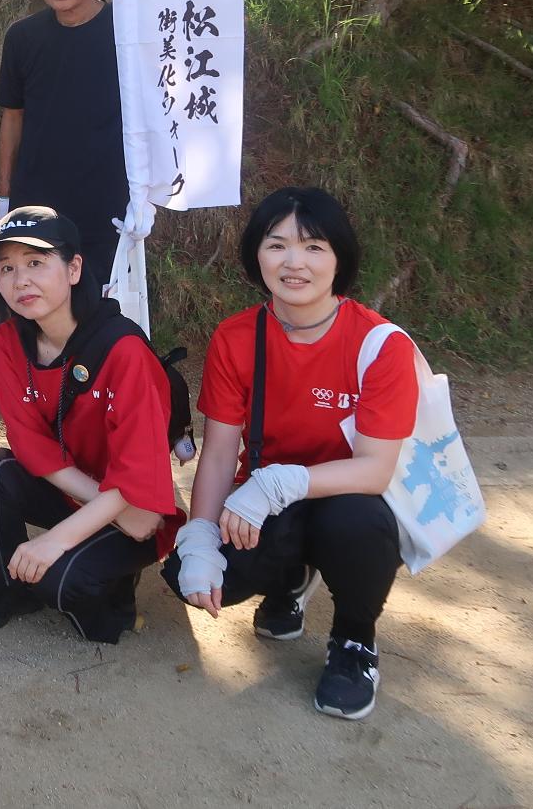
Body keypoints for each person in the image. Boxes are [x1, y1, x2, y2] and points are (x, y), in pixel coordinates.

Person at [163, 187, 423, 721]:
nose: (294, 262)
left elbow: (375, 470)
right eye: (277, 244)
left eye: (313, 247)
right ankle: (290, 580)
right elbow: (218, 454)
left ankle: (354, 641)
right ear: (256, 255)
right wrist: (201, 537)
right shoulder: (236, 337)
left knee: (355, 523)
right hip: (264, 503)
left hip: (348, 499)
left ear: (339, 258)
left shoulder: (381, 345)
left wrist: (280, 482)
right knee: (194, 576)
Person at [0, 206, 179, 644]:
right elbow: (29, 443)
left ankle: (114, 582)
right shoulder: (10, 341)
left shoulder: (125, 351)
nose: (20, 280)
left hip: (131, 503)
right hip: (88, 495)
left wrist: (58, 540)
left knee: (60, 581)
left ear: (74, 268)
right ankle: (4, 589)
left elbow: (137, 475)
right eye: (7, 268)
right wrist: (78, 518)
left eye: (36, 263)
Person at [0, 0, 129, 296]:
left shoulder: (126, 32)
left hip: (107, 204)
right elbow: (12, 116)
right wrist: (4, 196)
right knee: (31, 302)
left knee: (99, 308)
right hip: (36, 205)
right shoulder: (23, 37)